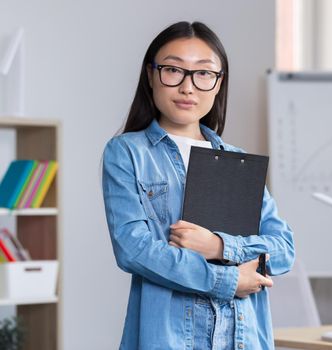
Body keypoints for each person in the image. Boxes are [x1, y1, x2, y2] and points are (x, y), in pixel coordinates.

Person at [102, 21, 295, 350]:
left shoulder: (237, 161)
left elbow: (283, 249)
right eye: (173, 70)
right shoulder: (127, 152)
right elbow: (134, 249)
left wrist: (219, 247)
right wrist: (229, 279)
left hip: (243, 338)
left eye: (204, 73)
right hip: (169, 339)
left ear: (219, 83)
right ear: (151, 76)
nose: (188, 87)